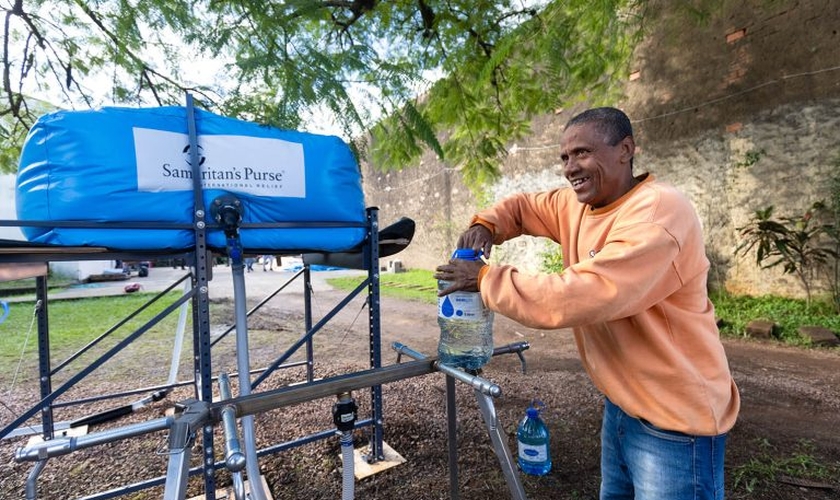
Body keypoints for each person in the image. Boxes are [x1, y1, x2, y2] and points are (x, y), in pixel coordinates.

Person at [435, 107, 740, 500]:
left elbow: (582, 294)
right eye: (564, 157)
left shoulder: (658, 214)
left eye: (582, 153)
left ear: (625, 150)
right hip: (623, 407)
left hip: (676, 424)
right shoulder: (578, 205)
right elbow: (525, 207)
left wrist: (484, 280)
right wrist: (487, 224)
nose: (569, 167)